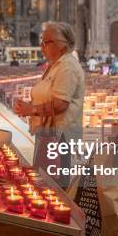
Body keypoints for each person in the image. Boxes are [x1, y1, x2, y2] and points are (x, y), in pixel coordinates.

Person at [13, 21, 85, 154]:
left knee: (54, 174)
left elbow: (60, 104)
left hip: (61, 140)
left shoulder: (67, 67)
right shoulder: (55, 65)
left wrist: (32, 109)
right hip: (47, 136)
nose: (41, 45)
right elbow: (49, 97)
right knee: (42, 173)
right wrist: (27, 106)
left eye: (46, 42)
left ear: (61, 45)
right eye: (42, 41)